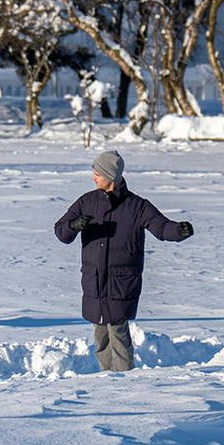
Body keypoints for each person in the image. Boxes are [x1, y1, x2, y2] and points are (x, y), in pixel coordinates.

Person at [54, 151, 193, 372]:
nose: (93, 177)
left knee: (117, 332)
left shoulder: (137, 206)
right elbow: (60, 231)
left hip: (121, 281)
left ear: (111, 175)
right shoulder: (86, 201)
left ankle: (124, 382)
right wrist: (74, 226)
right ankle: (106, 378)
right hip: (94, 281)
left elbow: (161, 227)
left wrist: (178, 230)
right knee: (100, 335)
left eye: (97, 173)